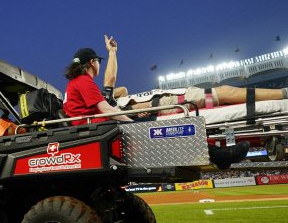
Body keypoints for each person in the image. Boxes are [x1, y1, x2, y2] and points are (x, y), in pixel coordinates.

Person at [63, 35, 251, 170]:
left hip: (99, 127)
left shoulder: (76, 82)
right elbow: (105, 108)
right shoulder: (83, 81)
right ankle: (217, 156)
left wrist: (133, 117)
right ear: (91, 62)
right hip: (102, 128)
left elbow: (101, 107)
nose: (99, 65)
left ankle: (216, 156)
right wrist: (131, 122)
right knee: (168, 129)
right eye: (98, 61)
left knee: (155, 122)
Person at [109, 64, 288, 114]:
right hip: (170, 105)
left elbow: (120, 89)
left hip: (174, 98)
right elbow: (112, 82)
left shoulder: (109, 101)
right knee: (228, 92)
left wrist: (105, 95)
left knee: (229, 96)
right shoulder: (106, 112)